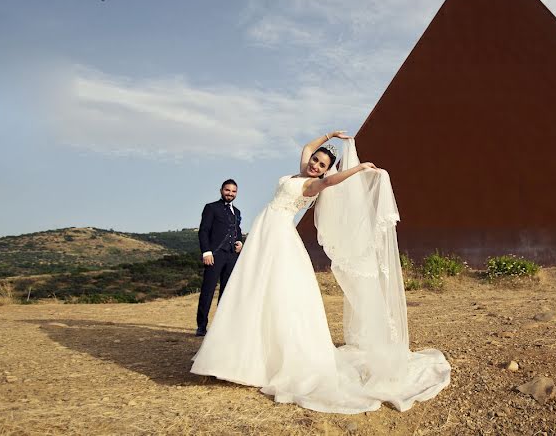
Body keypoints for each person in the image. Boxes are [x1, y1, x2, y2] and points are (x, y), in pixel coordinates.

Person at [191, 132, 450, 414]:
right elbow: (306, 147)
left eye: (321, 164)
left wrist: (359, 168)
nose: (315, 164)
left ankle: (271, 357)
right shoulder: (298, 174)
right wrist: (331, 136)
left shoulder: (314, 184)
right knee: (251, 288)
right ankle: (235, 354)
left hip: (278, 237)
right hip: (264, 235)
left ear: (326, 170)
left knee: (275, 291)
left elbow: (330, 182)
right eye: (315, 160)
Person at [195, 179, 243, 337]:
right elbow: (203, 231)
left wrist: (239, 242)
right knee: (207, 291)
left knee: (227, 292)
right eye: (227, 190)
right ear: (221, 190)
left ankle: (220, 327)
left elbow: (237, 230)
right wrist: (206, 252)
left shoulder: (237, 212)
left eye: (233, 191)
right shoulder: (211, 208)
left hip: (231, 256)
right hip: (214, 255)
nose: (230, 193)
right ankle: (201, 326)